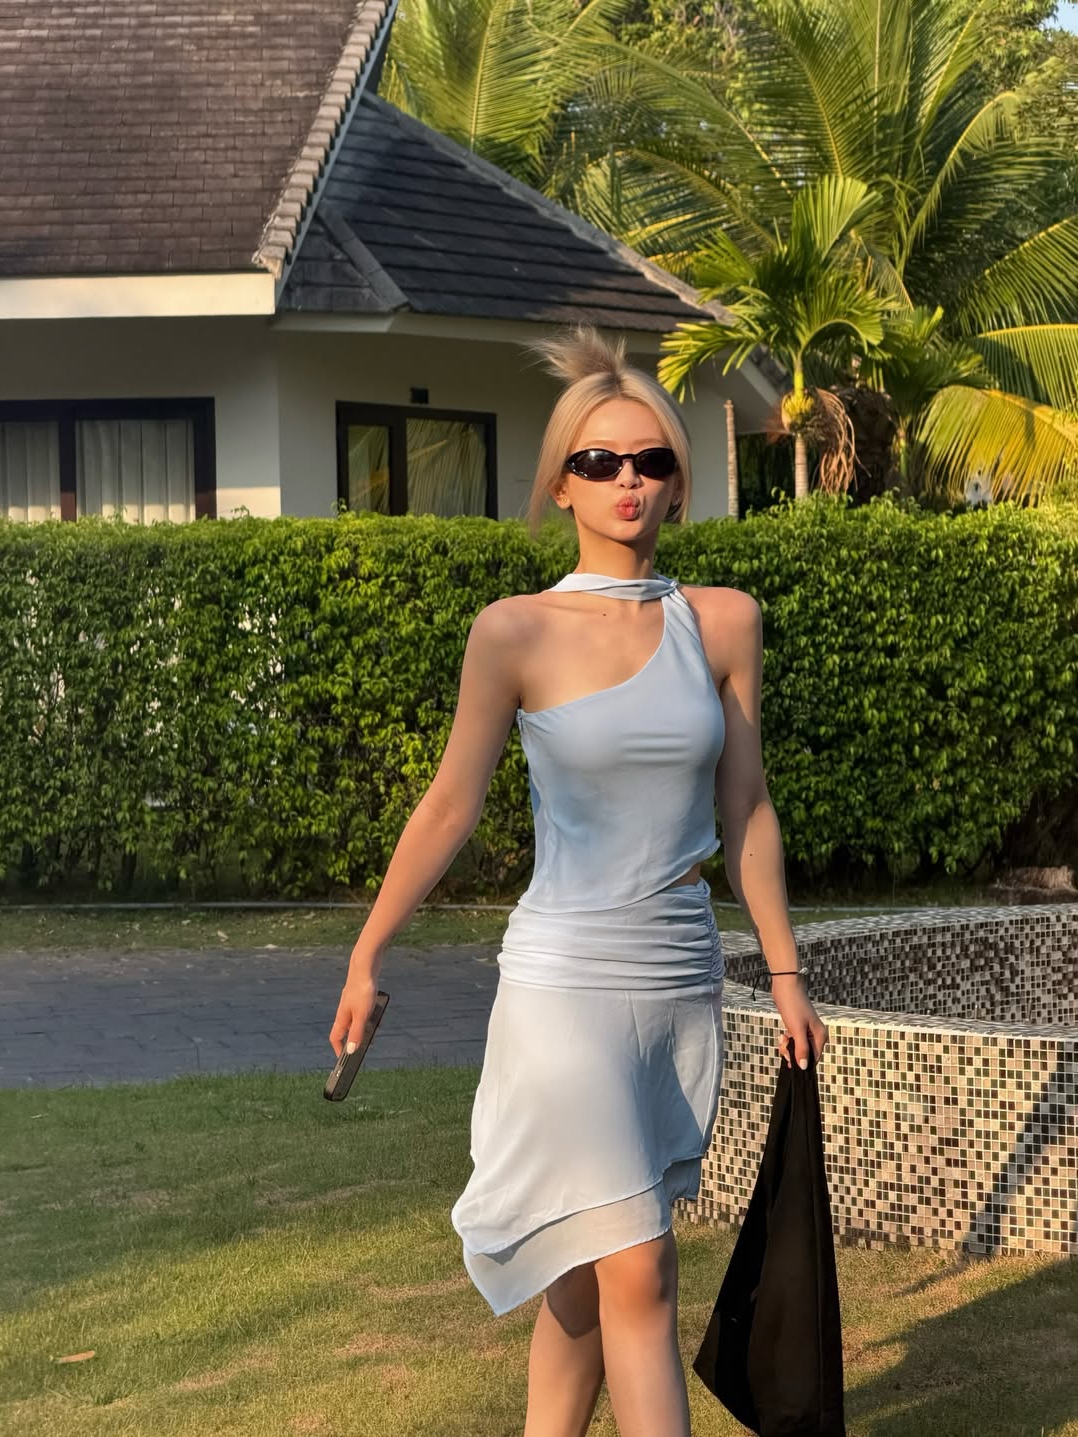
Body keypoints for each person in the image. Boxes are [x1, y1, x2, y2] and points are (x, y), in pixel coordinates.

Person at [330, 325, 829, 1437]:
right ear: (561, 483)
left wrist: (786, 972)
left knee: (584, 1270)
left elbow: (746, 808)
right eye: (599, 462)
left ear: (678, 482)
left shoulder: (723, 622)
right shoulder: (513, 632)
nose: (627, 481)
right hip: (562, 982)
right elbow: (450, 805)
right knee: (641, 1268)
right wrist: (367, 953)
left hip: (677, 978)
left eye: (651, 460)